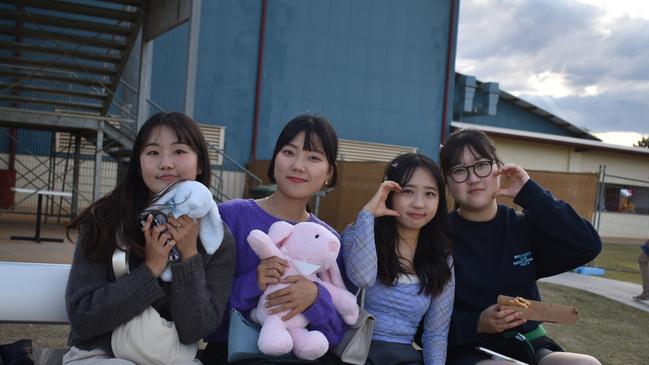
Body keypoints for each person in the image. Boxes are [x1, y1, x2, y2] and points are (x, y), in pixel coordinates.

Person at [63, 112, 236, 364]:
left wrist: (188, 256)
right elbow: (84, 316)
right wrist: (151, 269)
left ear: (199, 163)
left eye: (179, 151)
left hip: (170, 358)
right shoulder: (106, 220)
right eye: (153, 153)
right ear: (139, 163)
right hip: (100, 356)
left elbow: (196, 330)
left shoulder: (216, 238)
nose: (166, 163)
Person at [439, 129, 602, 365]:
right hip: (470, 349)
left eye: (481, 165)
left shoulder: (521, 225)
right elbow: (421, 323)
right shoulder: (439, 237)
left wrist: (530, 194)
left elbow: (588, 244)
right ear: (448, 181)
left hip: (528, 344)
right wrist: (477, 322)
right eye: (459, 170)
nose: (473, 178)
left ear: (498, 168)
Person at [201, 114, 347, 365]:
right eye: (289, 152)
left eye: (313, 157)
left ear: (329, 173)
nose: (298, 165)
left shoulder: (327, 240)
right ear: (276, 158)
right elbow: (201, 307)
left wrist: (315, 297)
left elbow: (336, 333)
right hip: (230, 357)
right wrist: (253, 283)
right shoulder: (231, 216)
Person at [341, 153, 455, 365]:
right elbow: (362, 278)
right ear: (389, 193)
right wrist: (367, 215)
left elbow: (436, 334)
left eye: (430, 194)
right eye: (407, 191)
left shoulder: (441, 257)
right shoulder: (358, 233)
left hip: (404, 358)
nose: (419, 204)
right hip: (355, 354)